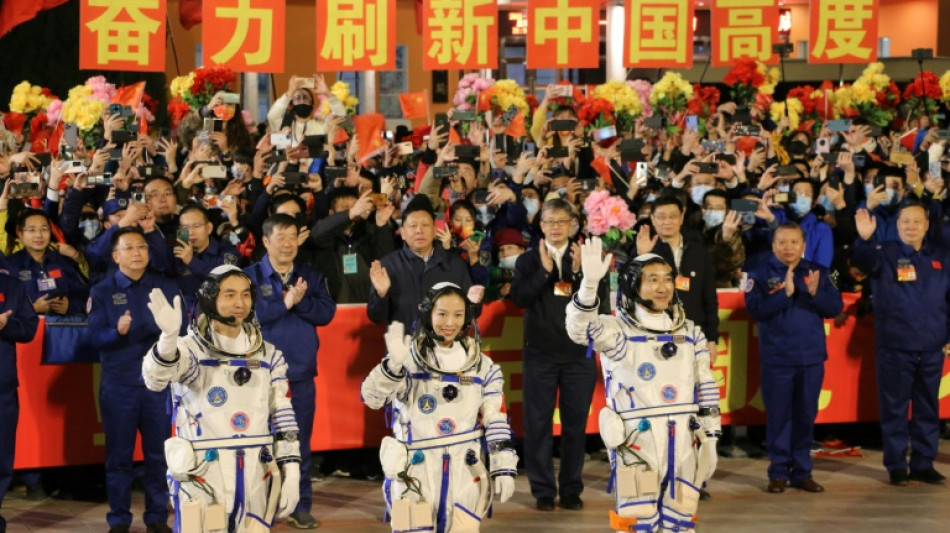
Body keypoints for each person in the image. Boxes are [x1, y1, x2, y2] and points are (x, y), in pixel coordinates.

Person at [565, 241, 720, 533]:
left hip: (685, 440)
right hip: (638, 443)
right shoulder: (618, 332)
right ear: (633, 285)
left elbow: (706, 386)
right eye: (653, 279)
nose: (663, 287)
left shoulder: (690, 333)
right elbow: (579, 329)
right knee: (639, 519)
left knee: (681, 517)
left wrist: (711, 437)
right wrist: (588, 286)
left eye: (667, 279)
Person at [142, 265, 301, 532]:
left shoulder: (269, 356)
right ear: (209, 298)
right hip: (204, 473)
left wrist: (292, 470)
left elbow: (283, 414)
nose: (240, 303)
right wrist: (168, 339)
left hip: (256, 472)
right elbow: (155, 379)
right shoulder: (191, 351)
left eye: (246, 294)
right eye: (229, 294)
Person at [361, 283, 517, 532]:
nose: (450, 323)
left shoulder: (483, 367)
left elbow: (496, 417)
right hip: (415, 473)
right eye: (442, 314)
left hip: (465, 472)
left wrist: (503, 465)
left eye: (458, 315)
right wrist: (391, 367)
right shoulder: (407, 360)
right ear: (427, 314)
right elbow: (372, 398)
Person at [510, 198, 607, 511]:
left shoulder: (587, 257)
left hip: (578, 356)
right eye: (549, 222)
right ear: (541, 225)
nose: (555, 227)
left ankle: (571, 490)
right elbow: (519, 298)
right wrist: (544, 272)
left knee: (575, 426)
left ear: (572, 225)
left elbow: (601, 305)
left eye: (561, 221)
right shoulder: (528, 260)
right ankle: (542, 491)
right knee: (537, 424)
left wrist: (580, 275)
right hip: (540, 355)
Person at [88, 227, 183, 533]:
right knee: (119, 457)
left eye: (141, 247)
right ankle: (119, 519)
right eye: (128, 248)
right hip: (119, 386)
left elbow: (181, 332)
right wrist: (116, 331)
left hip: (159, 385)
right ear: (116, 256)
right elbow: (94, 337)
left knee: (159, 455)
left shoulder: (164, 287)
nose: (137, 253)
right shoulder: (102, 291)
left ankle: (157, 518)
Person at [244, 214, 336, 529]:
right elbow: (247, 316)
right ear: (265, 241)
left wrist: (299, 302)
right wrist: (284, 303)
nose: (287, 243)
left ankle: (299, 506)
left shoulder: (310, 275)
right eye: (280, 237)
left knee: (298, 443)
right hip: (257, 376)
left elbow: (326, 313)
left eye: (292, 236)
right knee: (259, 444)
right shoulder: (249, 277)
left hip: (299, 374)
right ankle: (261, 507)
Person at [852, 203, 949, 486]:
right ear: (897, 225)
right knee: (894, 408)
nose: (911, 226)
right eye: (905, 221)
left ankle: (923, 463)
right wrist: (864, 240)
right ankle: (896, 465)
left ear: (927, 225)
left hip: (932, 346)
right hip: (895, 345)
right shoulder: (884, 253)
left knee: (928, 407)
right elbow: (862, 264)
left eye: (917, 221)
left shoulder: (941, 256)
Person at [745, 222, 842, 494]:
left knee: (805, 416)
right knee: (779, 417)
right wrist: (784, 295)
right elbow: (755, 310)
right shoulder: (759, 272)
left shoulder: (818, 272)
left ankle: (802, 472)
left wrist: (814, 294)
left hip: (811, 357)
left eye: (794, 242)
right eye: (782, 242)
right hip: (777, 358)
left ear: (804, 245)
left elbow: (834, 307)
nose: (788, 247)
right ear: (773, 245)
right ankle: (778, 472)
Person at [368, 194, 480, 327]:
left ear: (434, 230)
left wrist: (473, 301)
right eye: (413, 226)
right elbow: (376, 317)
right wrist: (381, 295)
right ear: (402, 233)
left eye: (425, 225)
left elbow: (474, 312)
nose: (419, 231)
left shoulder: (454, 264)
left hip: (443, 339)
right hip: (404, 340)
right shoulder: (388, 266)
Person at [636, 194, 719, 351]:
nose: (667, 221)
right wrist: (642, 256)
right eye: (661, 217)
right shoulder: (644, 250)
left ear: (682, 217)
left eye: (673, 216)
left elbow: (709, 297)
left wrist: (711, 338)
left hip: (694, 333)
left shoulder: (699, 251)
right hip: (655, 334)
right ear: (652, 219)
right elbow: (631, 289)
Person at [0, 271, 40, 533]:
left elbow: (29, 327)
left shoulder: (12, 285)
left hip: (2, 386)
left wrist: (6, 325)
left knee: (1, 459)